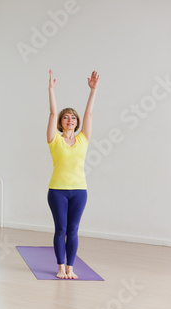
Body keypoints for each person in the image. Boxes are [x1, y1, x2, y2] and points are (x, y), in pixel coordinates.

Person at [47, 70, 99, 279]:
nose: (70, 120)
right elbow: (52, 113)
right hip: (57, 191)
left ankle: (71, 267)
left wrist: (93, 90)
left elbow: (89, 114)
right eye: (66, 117)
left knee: (73, 230)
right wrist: (51, 89)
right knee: (61, 229)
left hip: (79, 191)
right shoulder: (54, 139)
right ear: (61, 122)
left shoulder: (83, 139)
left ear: (77, 122)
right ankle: (61, 267)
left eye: (73, 117)